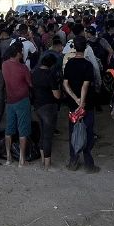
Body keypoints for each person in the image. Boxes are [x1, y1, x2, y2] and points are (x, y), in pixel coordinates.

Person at [62, 36, 100, 173]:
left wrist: (75, 99)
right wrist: (82, 102)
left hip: (73, 105)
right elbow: (85, 85)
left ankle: (73, 161)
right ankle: (89, 164)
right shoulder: (88, 65)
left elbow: (65, 84)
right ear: (85, 48)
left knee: (73, 131)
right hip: (87, 104)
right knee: (88, 132)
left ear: (73, 47)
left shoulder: (69, 63)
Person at [2, 43, 33, 167]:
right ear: (18, 53)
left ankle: (8, 158)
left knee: (9, 129)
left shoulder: (4, 65)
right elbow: (30, 84)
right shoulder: (23, 68)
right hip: (22, 101)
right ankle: (21, 159)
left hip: (10, 100)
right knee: (23, 130)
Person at [31, 53, 60, 171]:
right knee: (48, 136)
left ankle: (43, 160)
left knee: (42, 134)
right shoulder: (50, 75)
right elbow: (56, 95)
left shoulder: (35, 72)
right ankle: (48, 165)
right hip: (49, 107)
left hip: (38, 106)